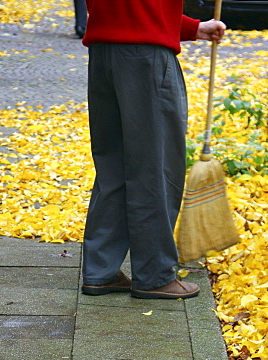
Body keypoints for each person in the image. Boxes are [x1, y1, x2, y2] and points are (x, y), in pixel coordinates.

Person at [79, 1, 226, 300]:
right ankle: (154, 274)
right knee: (155, 166)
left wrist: (192, 28)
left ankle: (101, 272)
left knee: (113, 166)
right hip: (146, 57)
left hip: (104, 53)